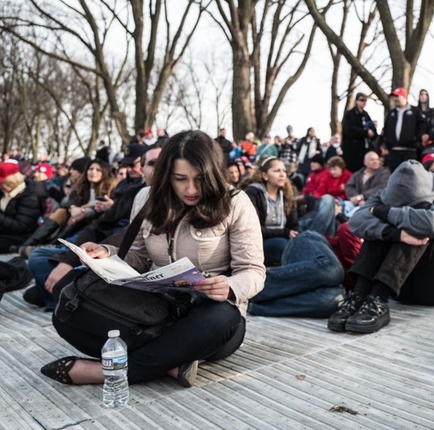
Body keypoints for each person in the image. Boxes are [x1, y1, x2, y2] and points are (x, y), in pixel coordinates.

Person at [43, 130, 265, 387]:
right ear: (166, 175)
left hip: (205, 315)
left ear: (213, 174)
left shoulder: (236, 202)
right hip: (152, 312)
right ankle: (169, 360)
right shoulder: (146, 198)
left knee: (224, 318)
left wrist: (230, 286)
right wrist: (107, 254)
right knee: (68, 295)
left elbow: (253, 271)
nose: (191, 189)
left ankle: (110, 371)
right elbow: (137, 257)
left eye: (200, 179)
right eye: (180, 179)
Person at [329, 160, 434, 334]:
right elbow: (356, 221)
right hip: (402, 288)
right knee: (379, 228)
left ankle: (378, 297)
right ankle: (360, 294)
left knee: (420, 224)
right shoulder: (385, 193)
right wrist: (394, 233)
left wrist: (388, 212)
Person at [25, 145, 164, 311]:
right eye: (152, 164)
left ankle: (61, 292)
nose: (93, 173)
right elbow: (98, 225)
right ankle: (62, 290)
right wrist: (74, 257)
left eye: (98, 169)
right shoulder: (131, 193)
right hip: (98, 248)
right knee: (38, 257)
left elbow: (132, 243)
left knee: (43, 264)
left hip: (120, 258)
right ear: (143, 168)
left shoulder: (170, 198)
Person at [245, 157, 299, 266]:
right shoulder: (253, 193)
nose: (282, 174)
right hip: (258, 244)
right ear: (265, 175)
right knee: (283, 245)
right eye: (277, 171)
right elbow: (254, 230)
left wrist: (297, 233)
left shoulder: (287, 194)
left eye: (284, 171)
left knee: (312, 236)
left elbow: (294, 225)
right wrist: (285, 233)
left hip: (284, 238)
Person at [0, 161, 45, 253]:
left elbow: (22, 226)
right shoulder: (3, 192)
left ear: (12, 182)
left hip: (20, 236)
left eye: (3, 184)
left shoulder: (30, 195)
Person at [382, 87, 427, 171]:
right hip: (394, 151)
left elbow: (422, 127)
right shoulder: (391, 113)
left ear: (404, 97)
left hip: (410, 151)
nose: (395, 99)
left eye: (397, 96)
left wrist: (416, 139)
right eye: (394, 97)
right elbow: (386, 129)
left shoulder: (415, 111)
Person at [341, 93, 376, 173]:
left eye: (365, 100)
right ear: (356, 101)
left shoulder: (366, 115)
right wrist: (366, 133)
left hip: (364, 149)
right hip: (352, 151)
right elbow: (350, 130)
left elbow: (372, 129)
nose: (364, 102)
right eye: (362, 100)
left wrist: (373, 131)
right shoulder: (349, 114)